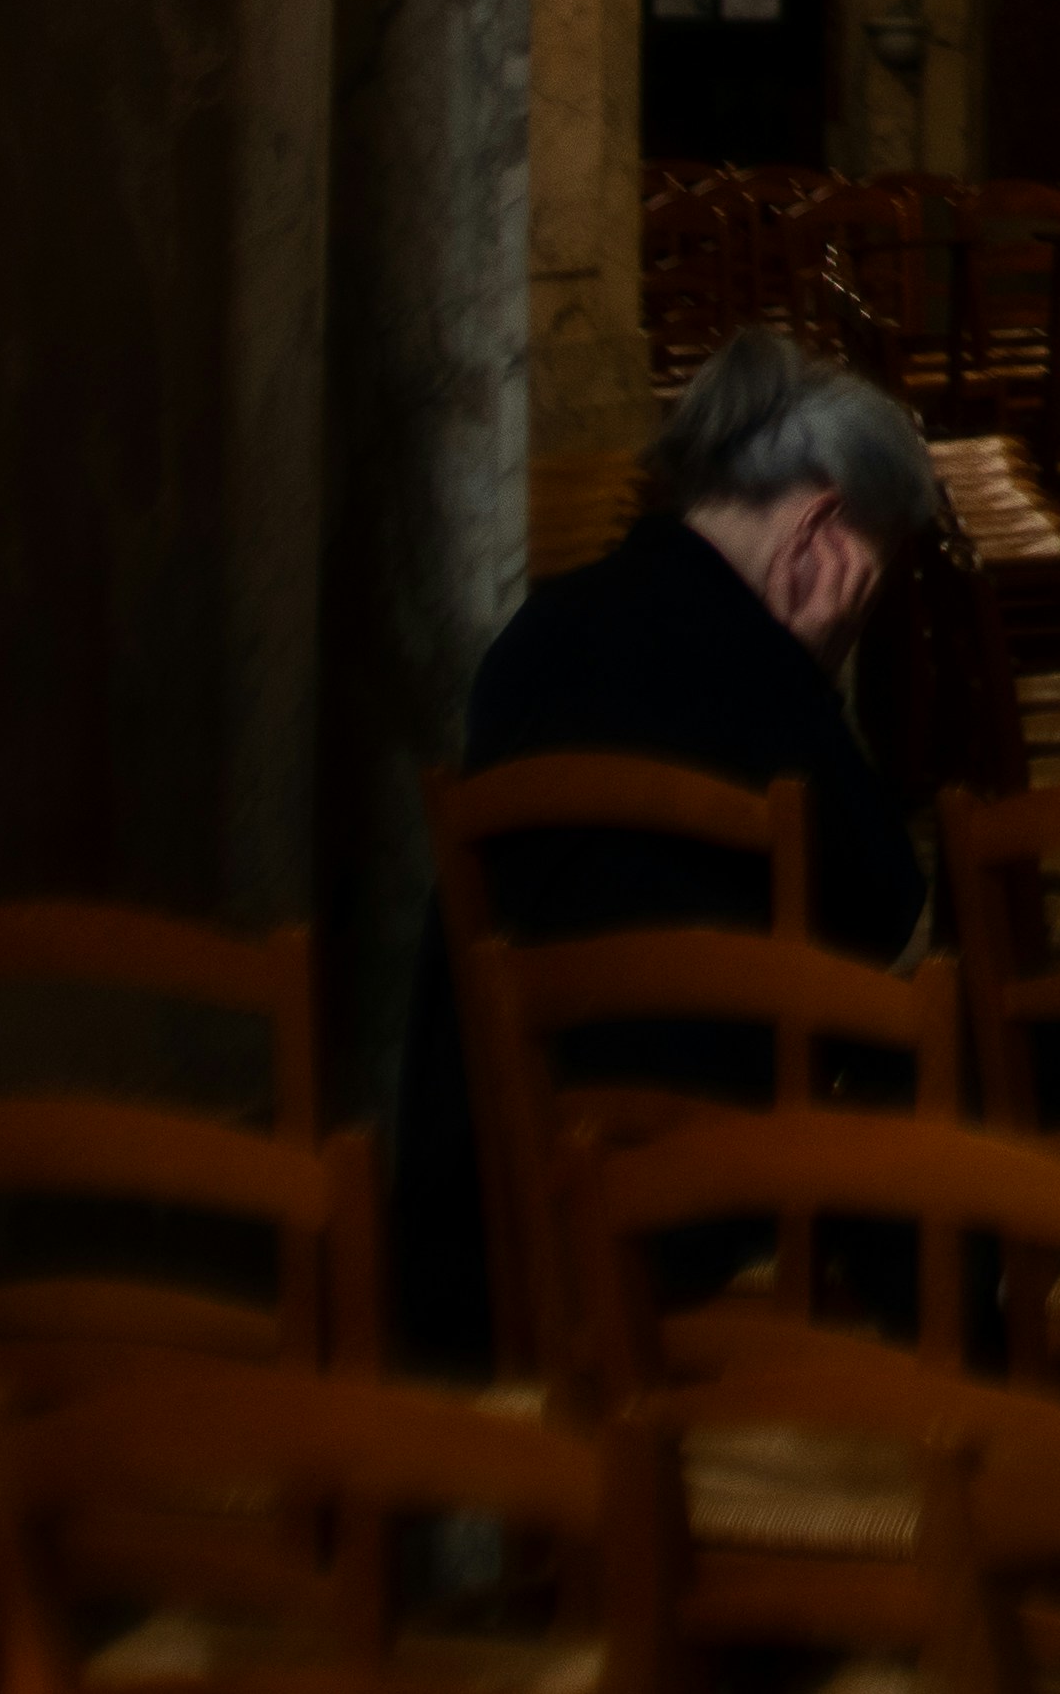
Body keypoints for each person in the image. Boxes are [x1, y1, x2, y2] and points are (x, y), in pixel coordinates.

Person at [384, 326, 941, 1376]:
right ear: (817, 531)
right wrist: (813, 678)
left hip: (493, 1200)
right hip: (699, 1217)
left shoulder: (540, 628)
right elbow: (884, 911)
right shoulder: (762, 676)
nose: (867, 609)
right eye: (878, 575)